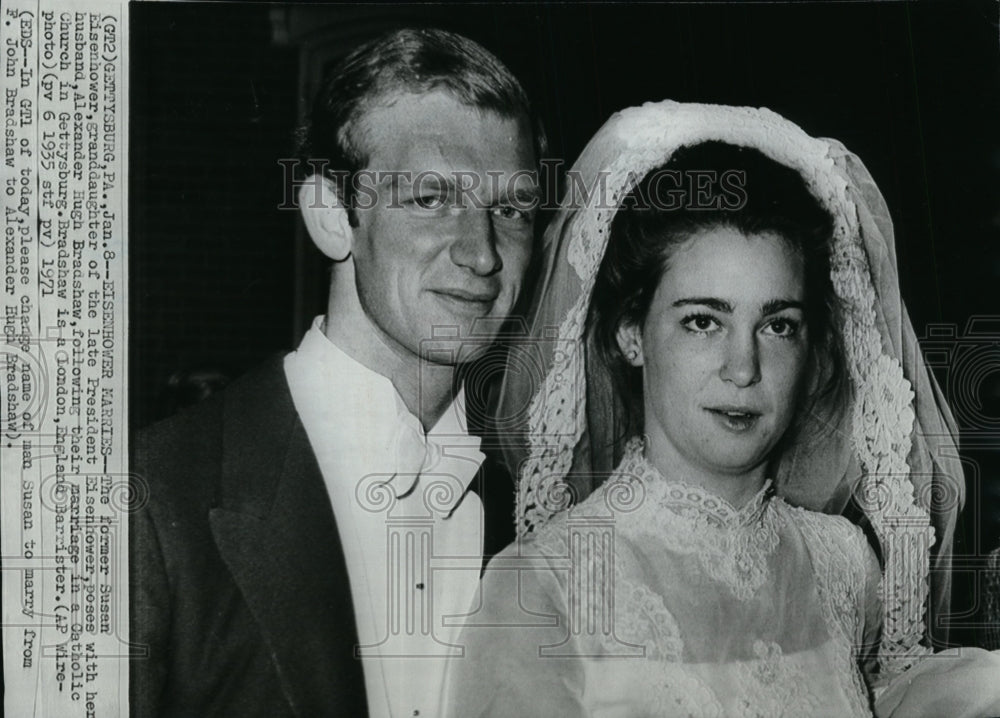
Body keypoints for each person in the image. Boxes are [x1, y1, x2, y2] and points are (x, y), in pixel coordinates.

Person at [443, 102, 1000, 717]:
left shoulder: (845, 564)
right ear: (631, 332)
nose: (744, 368)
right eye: (703, 321)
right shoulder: (543, 584)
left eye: (778, 325)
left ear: (812, 346)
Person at [130, 28, 544, 717]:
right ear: (330, 217)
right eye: (431, 198)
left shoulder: (538, 509)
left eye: (511, 209)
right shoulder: (152, 499)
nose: (482, 254)